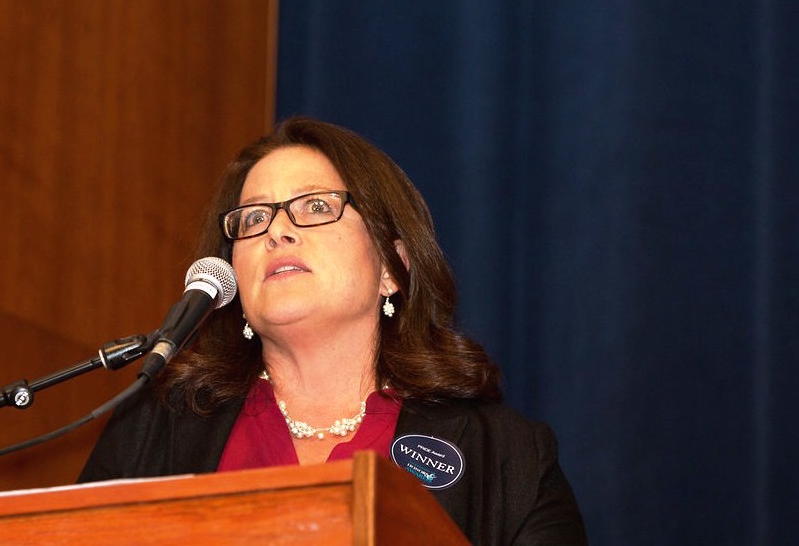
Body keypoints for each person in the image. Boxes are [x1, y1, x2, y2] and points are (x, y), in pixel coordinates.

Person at [79, 117, 587, 544]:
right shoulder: (154, 427)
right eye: (253, 218)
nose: (276, 230)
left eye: (316, 206)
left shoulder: (507, 455)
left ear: (392, 268)